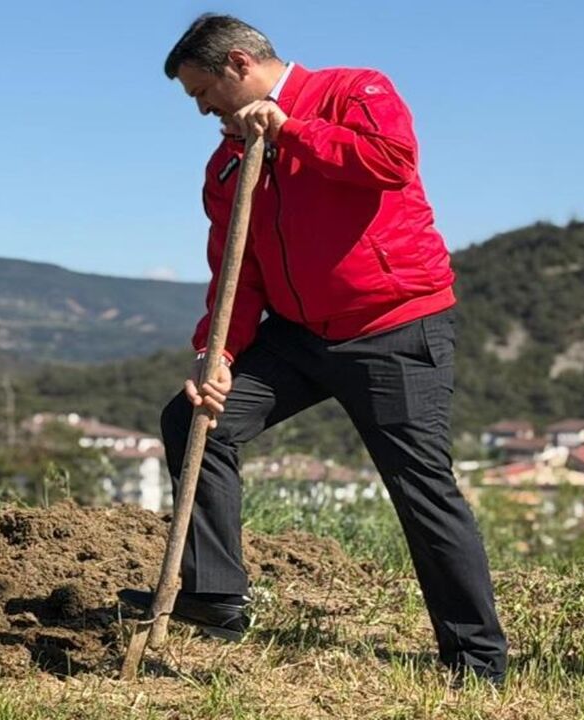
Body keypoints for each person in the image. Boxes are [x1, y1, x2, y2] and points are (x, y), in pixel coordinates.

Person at [119, 13, 508, 685]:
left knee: (421, 489)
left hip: (394, 326)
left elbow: (390, 162)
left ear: (240, 64)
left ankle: (476, 659)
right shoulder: (227, 162)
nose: (203, 108)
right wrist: (219, 355)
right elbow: (238, 273)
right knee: (196, 423)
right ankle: (216, 594)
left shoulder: (354, 91)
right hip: (300, 336)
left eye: (202, 91)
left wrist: (291, 132)